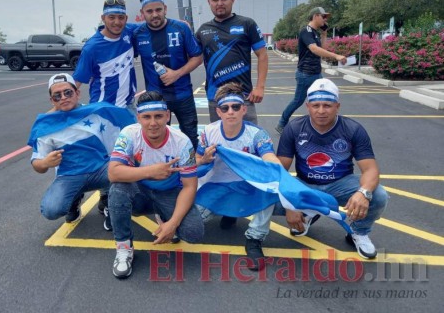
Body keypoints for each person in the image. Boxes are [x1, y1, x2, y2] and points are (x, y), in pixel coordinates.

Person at [276, 78, 388, 259]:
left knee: (379, 195)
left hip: (340, 183)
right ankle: (309, 212)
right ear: (307, 106)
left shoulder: (353, 129)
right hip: (306, 184)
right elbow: (280, 170)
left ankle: (358, 232)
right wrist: (290, 204)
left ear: (338, 106)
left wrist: (363, 193)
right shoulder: (294, 128)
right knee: (271, 197)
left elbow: (371, 170)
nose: (321, 111)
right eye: (316, 105)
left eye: (327, 105)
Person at [107, 91, 204, 279]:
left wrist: (173, 224)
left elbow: (190, 186)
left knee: (194, 233)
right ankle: (124, 247)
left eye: (159, 116)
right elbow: (113, 172)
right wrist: (151, 171)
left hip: (168, 191)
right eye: (147, 117)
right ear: (138, 118)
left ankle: (164, 215)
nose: (153, 123)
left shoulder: (182, 142)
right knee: (117, 190)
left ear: (167, 116)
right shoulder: (129, 134)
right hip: (140, 189)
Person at [27, 73, 135, 230]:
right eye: (57, 96)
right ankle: (74, 199)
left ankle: (111, 204)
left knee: (127, 174)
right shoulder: (46, 126)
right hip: (70, 176)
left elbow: (123, 137)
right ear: (52, 101)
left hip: (101, 170)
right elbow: (37, 165)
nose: (63, 97)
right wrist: (44, 163)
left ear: (77, 93)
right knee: (50, 210)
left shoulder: (97, 112)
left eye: (68, 92)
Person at [195, 82, 283, 270]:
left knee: (269, 187)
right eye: (225, 108)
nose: (230, 112)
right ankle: (228, 211)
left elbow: (269, 158)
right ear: (218, 112)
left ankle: (254, 238)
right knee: (193, 225)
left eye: (235, 107)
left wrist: (281, 175)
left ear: (244, 109)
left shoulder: (256, 134)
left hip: (246, 186)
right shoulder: (209, 132)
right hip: (216, 185)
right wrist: (203, 159)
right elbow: (195, 160)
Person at [73, 0, 138, 216]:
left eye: (120, 17)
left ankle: (119, 194)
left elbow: (151, 23)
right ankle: (102, 197)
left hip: (127, 107)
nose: (117, 22)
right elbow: (77, 81)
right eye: (112, 17)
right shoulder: (92, 47)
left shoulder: (130, 32)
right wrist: (62, 109)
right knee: (106, 156)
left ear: (126, 18)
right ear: (103, 19)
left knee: (128, 152)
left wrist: (182, 24)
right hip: (103, 110)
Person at [133, 0, 203, 149]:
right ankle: (164, 172)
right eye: (149, 11)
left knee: (190, 139)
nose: (154, 14)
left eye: (158, 10)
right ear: (142, 13)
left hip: (183, 95)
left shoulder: (180, 28)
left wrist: (176, 74)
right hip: (157, 100)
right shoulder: (138, 34)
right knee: (159, 142)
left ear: (165, 8)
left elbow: (198, 57)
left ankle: (189, 173)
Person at [195, 0, 268, 124]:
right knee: (219, 141)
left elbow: (262, 55)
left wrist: (260, 87)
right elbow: (193, 59)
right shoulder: (203, 30)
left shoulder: (247, 24)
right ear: (209, 2)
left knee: (250, 139)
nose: (219, 3)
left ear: (232, 0)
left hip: (243, 96)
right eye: (215, 0)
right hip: (215, 98)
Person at [275, 7, 347, 134]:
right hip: (305, 73)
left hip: (316, 72)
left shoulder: (315, 33)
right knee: (298, 101)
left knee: (322, 98)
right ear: (315, 16)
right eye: (323, 17)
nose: (325, 20)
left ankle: (323, 124)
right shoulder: (306, 31)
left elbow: (323, 49)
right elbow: (314, 49)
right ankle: (282, 123)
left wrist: (324, 34)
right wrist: (336, 56)